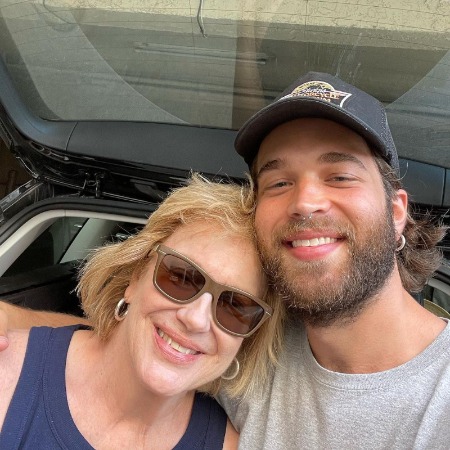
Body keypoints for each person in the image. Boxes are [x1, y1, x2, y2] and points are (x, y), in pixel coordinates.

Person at [1, 71, 450, 449]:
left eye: (340, 175)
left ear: (396, 215)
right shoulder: (251, 344)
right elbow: (142, 339)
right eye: (278, 183)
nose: (306, 201)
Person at [0, 174, 283, 449]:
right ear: (135, 278)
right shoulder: (6, 373)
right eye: (181, 277)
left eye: (234, 306)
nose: (195, 319)